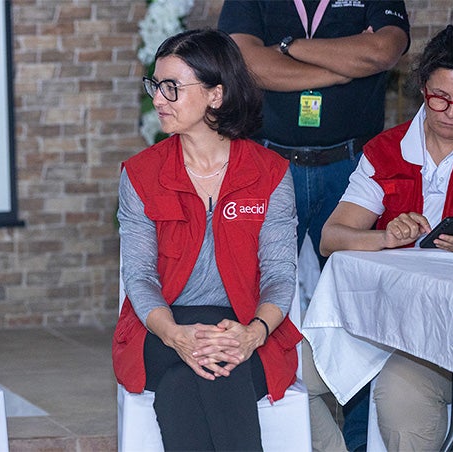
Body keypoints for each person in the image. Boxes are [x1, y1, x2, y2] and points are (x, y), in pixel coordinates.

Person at [218, 3, 411, 450]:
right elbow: (246, 63)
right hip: (269, 166)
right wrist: (342, 66)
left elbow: (383, 51)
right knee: (253, 297)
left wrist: (289, 48)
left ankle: (359, 443)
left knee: (362, 312)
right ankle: (274, 434)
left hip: (352, 170)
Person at [112, 29, 301, 451]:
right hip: (161, 327)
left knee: (198, 378)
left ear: (216, 95)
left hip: (244, 328)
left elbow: (279, 274)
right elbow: (139, 276)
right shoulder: (141, 174)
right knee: (211, 372)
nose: (158, 99)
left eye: (171, 88)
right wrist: (177, 335)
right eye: (155, 86)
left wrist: (253, 333)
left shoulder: (269, 173)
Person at [319, 24, 453, 451]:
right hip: (382, 316)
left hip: (441, 332)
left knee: (400, 394)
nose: (451, 112)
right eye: (440, 98)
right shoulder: (387, 150)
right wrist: (385, 238)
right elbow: (331, 238)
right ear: (421, 88)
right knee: (277, 372)